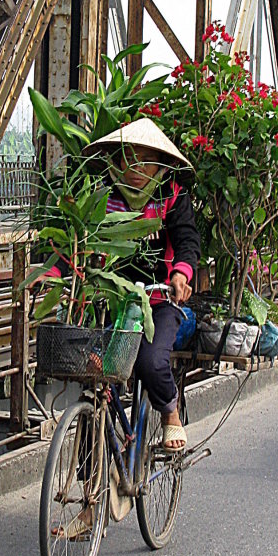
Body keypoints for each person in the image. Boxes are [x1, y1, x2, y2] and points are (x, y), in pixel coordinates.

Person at [80, 118, 201, 452]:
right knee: (91, 372)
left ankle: (170, 412)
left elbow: (187, 240)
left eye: (144, 160)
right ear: (117, 160)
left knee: (150, 362)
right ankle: (90, 481)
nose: (134, 167)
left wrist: (181, 274)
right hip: (109, 299)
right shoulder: (101, 193)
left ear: (159, 165)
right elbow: (78, 239)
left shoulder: (171, 196)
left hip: (158, 301)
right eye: (127, 157)